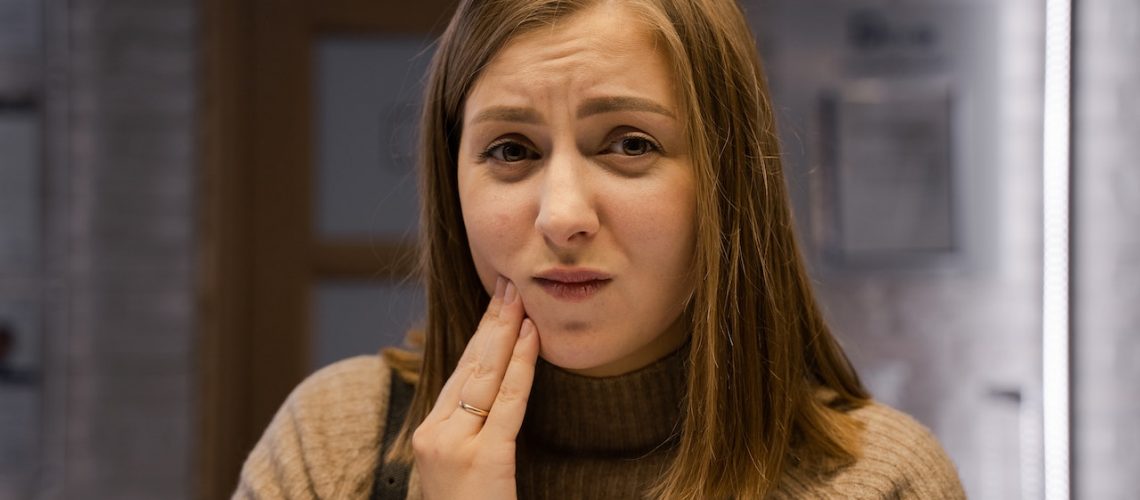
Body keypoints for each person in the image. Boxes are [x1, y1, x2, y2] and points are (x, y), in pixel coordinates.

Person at [234, 0, 967, 498]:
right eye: (512, 149)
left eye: (629, 144)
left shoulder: (877, 481)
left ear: (725, 182)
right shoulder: (337, 444)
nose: (563, 216)